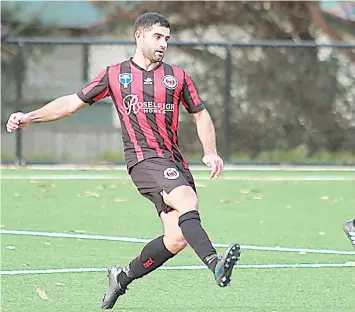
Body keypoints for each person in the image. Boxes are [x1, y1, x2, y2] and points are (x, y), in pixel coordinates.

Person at [6, 12, 241, 309]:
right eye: (157, 37)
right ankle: (215, 264)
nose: (163, 44)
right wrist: (30, 117)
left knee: (177, 237)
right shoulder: (115, 75)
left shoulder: (177, 76)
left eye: (167, 39)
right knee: (187, 201)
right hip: (143, 160)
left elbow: (200, 113)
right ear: (139, 36)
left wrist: (210, 151)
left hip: (173, 161)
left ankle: (122, 277)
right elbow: (71, 102)